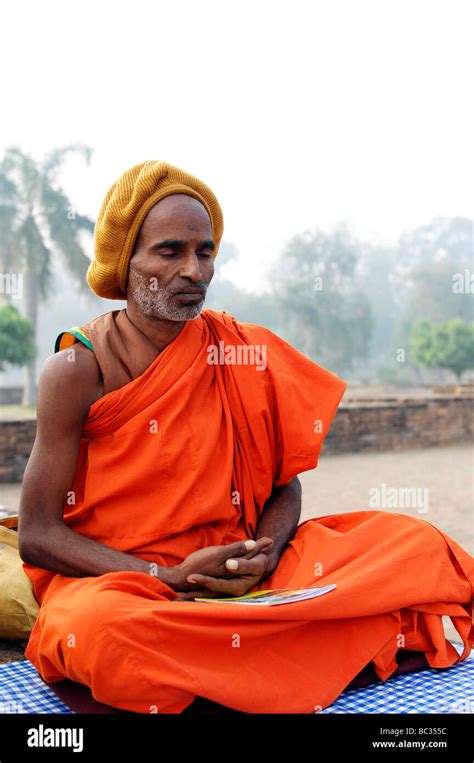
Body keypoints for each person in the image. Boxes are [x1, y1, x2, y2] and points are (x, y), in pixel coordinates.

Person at [18, 160, 473, 714]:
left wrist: (265, 554)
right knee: (98, 631)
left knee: (412, 545)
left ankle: (239, 654)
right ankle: (293, 648)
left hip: (246, 574)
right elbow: (39, 534)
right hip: (130, 583)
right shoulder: (76, 369)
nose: (194, 270)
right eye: (170, 251)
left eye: (205, 251)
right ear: (126, 261)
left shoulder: (239, 350)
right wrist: (169, 575)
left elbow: (284, 486)